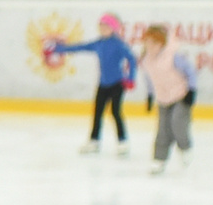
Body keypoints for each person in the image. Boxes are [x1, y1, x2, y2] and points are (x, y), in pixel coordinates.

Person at [46, 12, 137, 157]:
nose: (102, 28)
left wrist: (131, 78)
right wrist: (58, 49)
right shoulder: (98, 43)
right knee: (98, 112)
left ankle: (122, 141)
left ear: (113, 28)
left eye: (105, 26)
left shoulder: (119, 44)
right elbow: (80, 47)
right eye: (100, 26)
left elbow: (132, 59)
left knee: (115, 111)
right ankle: (94, 141)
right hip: (103, 84)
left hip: (118, 83)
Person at [137, 23, 194, 175]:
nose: (149, 46)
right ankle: (159, 159)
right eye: (147, 42)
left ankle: (185, 148)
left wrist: (191, 91)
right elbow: (149, 79)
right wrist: (149, 95)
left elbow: (190, 71)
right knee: (162, 130)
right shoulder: (147, 59)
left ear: (161, 43)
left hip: (181, 95)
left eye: (153, 43)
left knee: (177, 124)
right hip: (163, 98)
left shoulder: (173, 56)